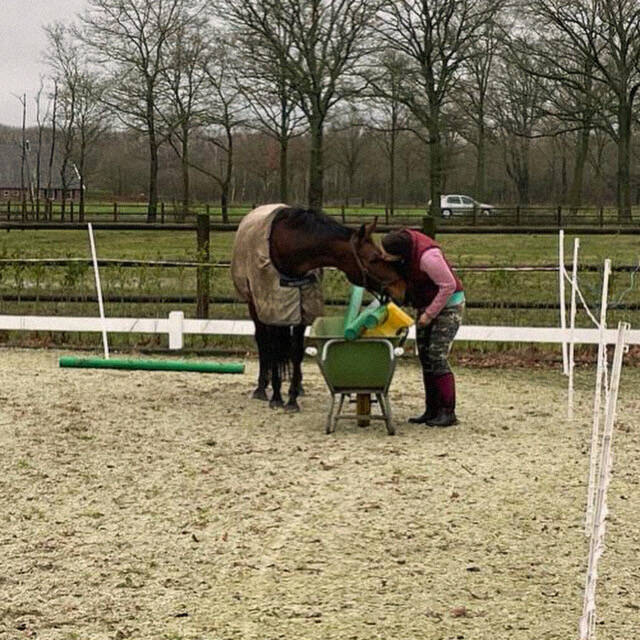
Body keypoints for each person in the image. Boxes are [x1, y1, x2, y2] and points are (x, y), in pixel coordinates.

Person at [380, 229, 465, 427]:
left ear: (399, 252)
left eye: (387, 254)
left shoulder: (429, 258)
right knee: (425, 356)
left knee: (437, 356)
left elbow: (448, 286)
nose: (384, 256)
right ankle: (431, 409)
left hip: (449, 305)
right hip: (426, 303)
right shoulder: (407, 253)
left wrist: (429, 314)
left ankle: (448, 411)